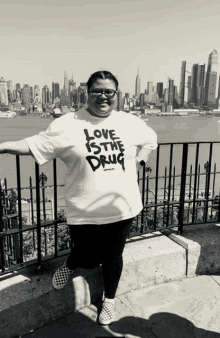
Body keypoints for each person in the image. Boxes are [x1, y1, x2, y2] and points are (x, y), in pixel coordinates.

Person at [0, 70, 157, 326]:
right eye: (97, 91)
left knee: (114, 256)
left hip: (123, 206)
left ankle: (109, 299)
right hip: (83, 208)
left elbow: (151, 140)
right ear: (87, 93)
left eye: (109, 91)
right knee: (86, 254)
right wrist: (4, 145)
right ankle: (72, 263)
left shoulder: (130, 122)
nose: (103, 96)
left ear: (117, 94)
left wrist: (139, 160)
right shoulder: (67, 124)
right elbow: (34, 145)